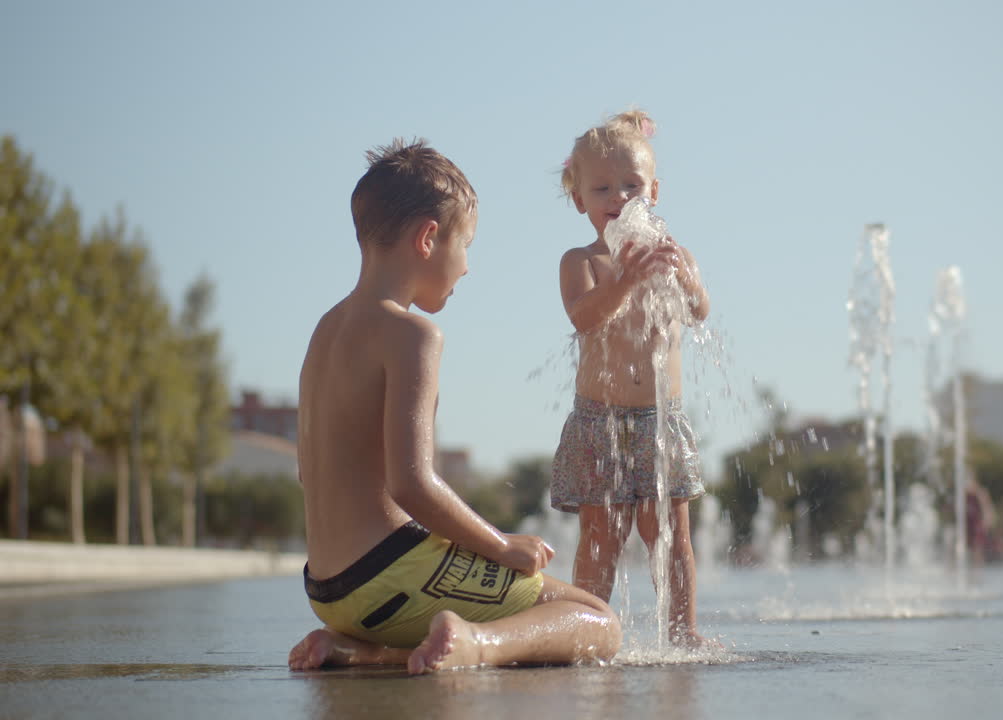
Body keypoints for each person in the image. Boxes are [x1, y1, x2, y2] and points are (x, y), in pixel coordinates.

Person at [287, 139, 621, 675]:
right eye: (465, 245)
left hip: (329, 591)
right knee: (597, 620)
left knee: (496, 593)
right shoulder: (413, 335)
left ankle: (361, 650)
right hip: (390, 575)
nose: (466, 267)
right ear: (428, 239)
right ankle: (475, 644)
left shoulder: (325, 330)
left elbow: (309, 471)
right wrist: (501, 545)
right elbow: (410, 484)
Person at [552, 110, 713, 647]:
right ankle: (586, 629)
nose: (618, 197)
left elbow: (699, 311)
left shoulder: (675, 255)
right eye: (602, 188)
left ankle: (683, 633)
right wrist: (622, 280)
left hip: (660, 422)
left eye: (631, 185)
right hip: (600, 420)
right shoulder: (582, 261)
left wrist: (685, 277)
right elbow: (584, 317)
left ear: (654, 192)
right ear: (579, 199)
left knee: (671, 536)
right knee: (601, 537)